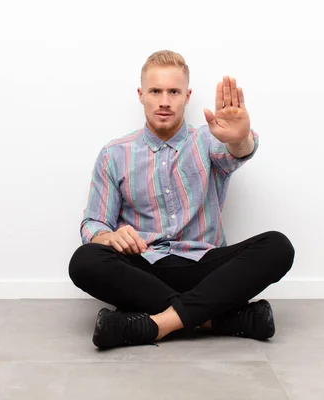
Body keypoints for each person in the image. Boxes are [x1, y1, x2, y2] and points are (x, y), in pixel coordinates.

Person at [68, 50, 295, 349]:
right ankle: (215, 318)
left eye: (173, 92)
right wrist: (109, 236)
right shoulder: (114, 154)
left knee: (277, 246)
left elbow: (238, 151)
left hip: (204, 267)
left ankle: (155, 324)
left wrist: (240, 138)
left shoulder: (209, 140)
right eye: (156, 91)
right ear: (141, 95)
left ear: (187, 96)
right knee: (84, 260)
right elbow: (93, 223)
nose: (164, 101)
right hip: (144, 269)